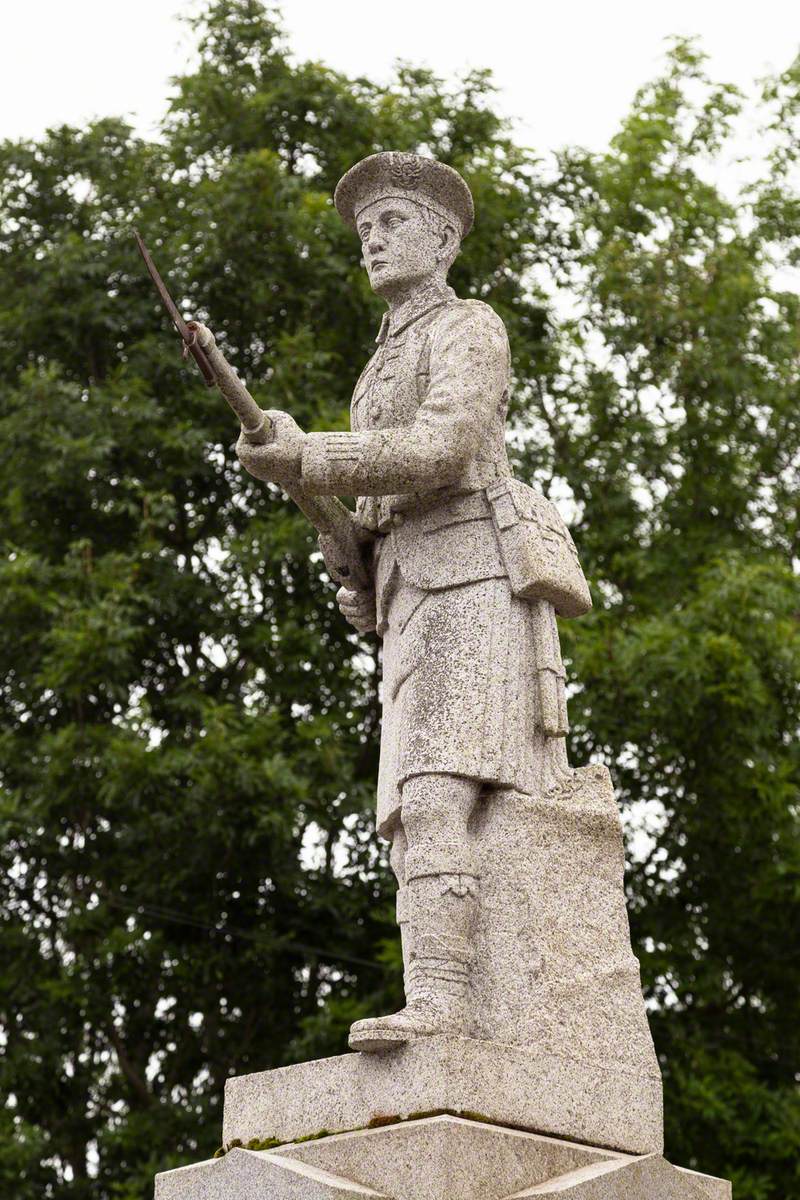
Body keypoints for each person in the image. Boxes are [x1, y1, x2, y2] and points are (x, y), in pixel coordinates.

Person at [224, 152, 590, 1053]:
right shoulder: (374, 366)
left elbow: (441, 451)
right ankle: (438, 997)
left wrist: (312, 456)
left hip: (473, 579)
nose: (373, 242)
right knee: (409, 814)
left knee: (433, 797)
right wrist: (351, 557)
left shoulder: (469, 327)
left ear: (444, 236)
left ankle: (444, 1007)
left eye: (390, 223)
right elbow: (378, 514)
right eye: (364, 232)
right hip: (412, 594)